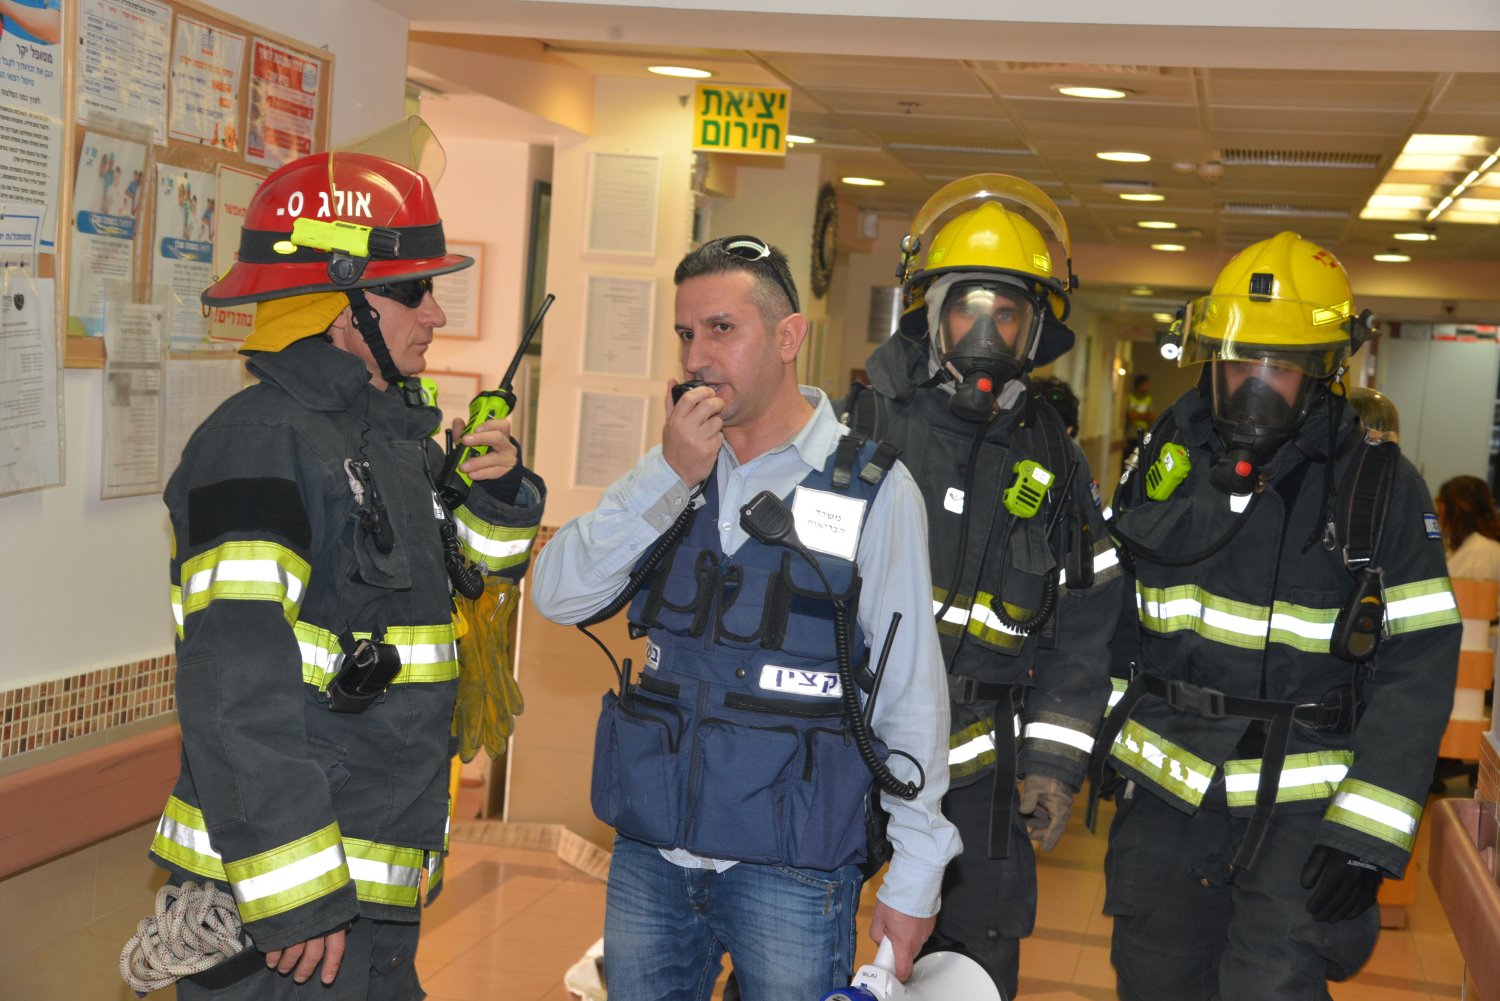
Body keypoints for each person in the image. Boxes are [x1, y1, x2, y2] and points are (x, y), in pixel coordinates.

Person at [144, 129, 545, 998]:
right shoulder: (259, 443)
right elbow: (234, 687)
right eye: (413, 291)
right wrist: (296, 896)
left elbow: (468, 580)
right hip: (288, 916)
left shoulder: (386, 437)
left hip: (369, 889)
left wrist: (502, 491)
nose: (435, 314)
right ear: (341, 305)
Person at [529, 234, 959, 1000]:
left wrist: (917, 874)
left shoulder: (876, 491)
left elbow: (911, 695)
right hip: (653, 855)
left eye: (721, 328)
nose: (697, 356)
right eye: (685, 333)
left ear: (788, 337)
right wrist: (670, 475)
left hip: (791, 867)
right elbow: (558, 593)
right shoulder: (672, 466)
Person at [1095, 231, 1461, 1000]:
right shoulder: (1168, 459)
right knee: (1153, 978)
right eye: (1239, 364)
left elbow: (1419, 666)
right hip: (1168, 795)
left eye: (1280, 368)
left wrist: (1368, 834)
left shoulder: (1377, 488)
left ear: (1322, 370)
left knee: (1271, 986)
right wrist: (1104, 736)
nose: (1253, 387)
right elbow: (1118, 611)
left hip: (1302, 807)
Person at [841, 175, 1121, 998]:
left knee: (972, 966)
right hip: (849, 747)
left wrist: (1052, 765)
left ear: (1033, 328)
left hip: (979, 778)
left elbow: (1086, 626)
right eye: (970, 309)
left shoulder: (1055, 460)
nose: (988, 333)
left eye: (1009, 313)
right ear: (933, 314)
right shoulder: (864, 430)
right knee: (800, 942)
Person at [1437, 476, 1500, 582]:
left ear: (1456, 510)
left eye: (1439, 506)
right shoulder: (1472, 546)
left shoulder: (1479, 551)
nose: (1438, 514)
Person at [1124, 374, 1155, 439]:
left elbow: (1152, 417)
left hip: (1143, 434)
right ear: (1139, 385)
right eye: (1147, 385)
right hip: (1129, 433)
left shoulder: (1148, 399)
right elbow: (1130, 415)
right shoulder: (1129, 397)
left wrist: (1136, 415)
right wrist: (1145, 416)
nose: (1149, 387)